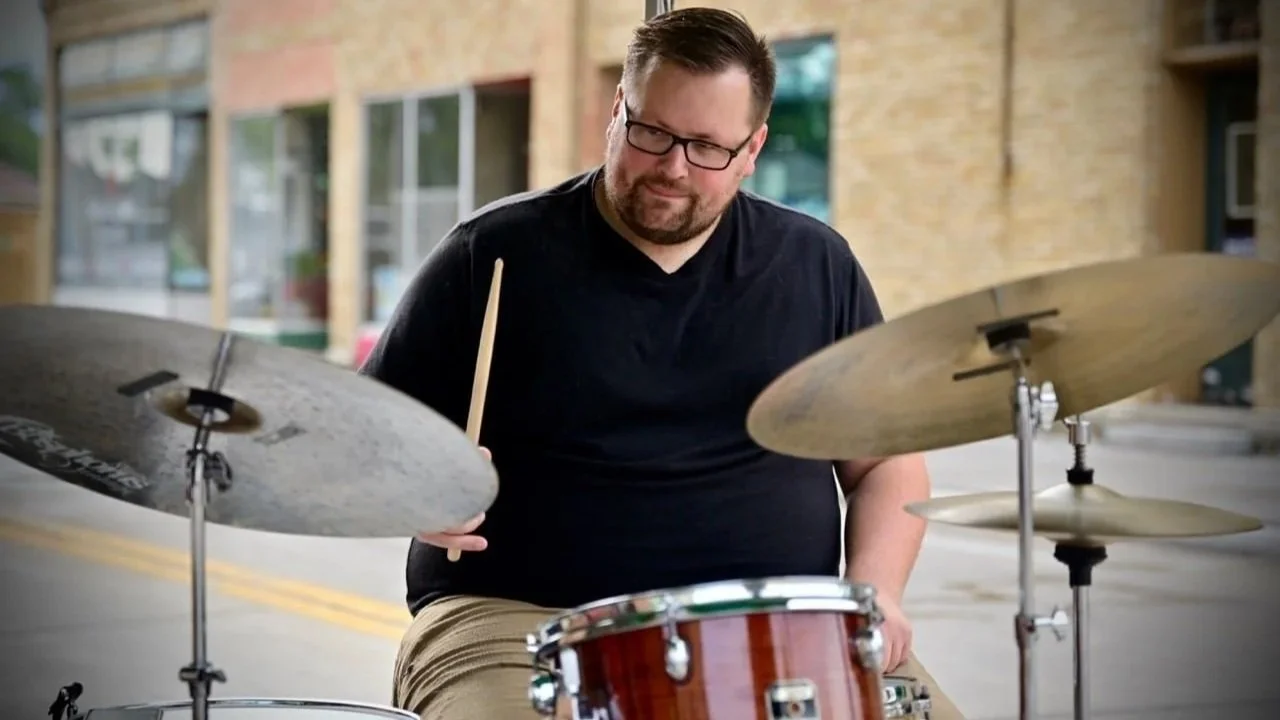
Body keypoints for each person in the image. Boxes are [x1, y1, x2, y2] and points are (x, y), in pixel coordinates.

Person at [359, 7, 964, 719]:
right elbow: (360, 441)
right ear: (619, 108)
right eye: (652, 133)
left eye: (707, 147)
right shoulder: (491, 253)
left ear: (753, 147)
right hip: (520, 625)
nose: (673, 168)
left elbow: (885, 465)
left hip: (778, 626)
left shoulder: (815, 263)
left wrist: (877, 594)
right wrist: (414, 495)